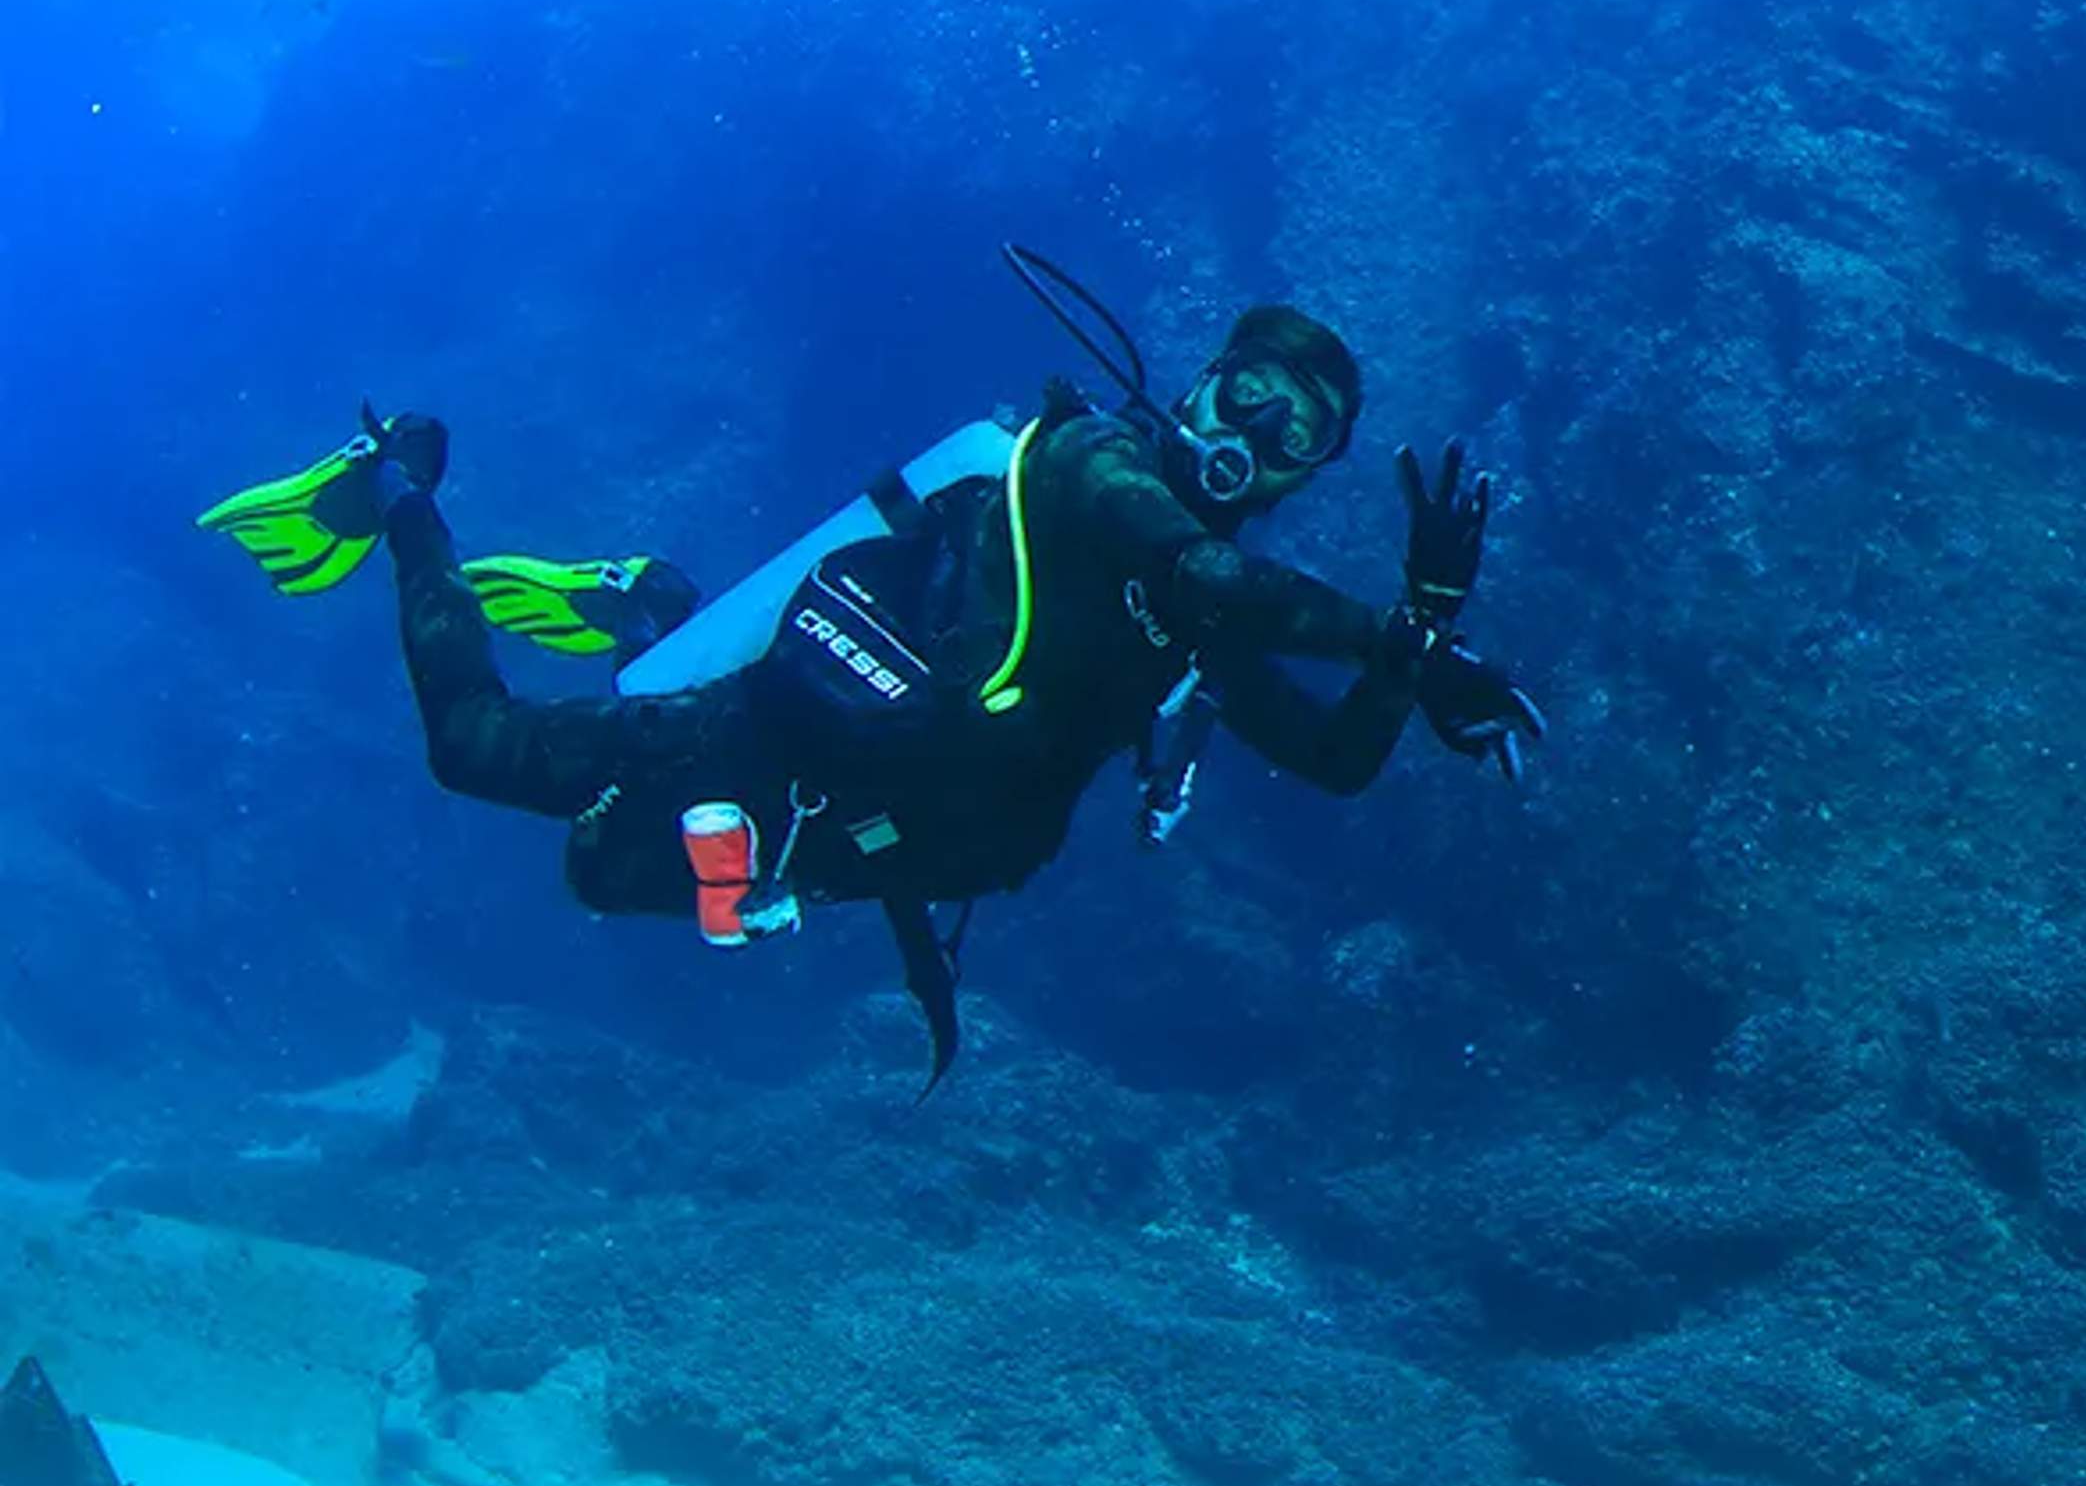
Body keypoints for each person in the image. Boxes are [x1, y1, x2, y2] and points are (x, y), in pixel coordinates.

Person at [197, 248, 1541, 1088]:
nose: (1260, 431)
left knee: (599, 874)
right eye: (1250, 391)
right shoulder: (1092, 463)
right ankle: (401, 486)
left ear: (1304, 477)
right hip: (779, 733)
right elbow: (1203, 572)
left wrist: (1417, 635)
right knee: (474, 750)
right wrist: (1413, 644)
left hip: (868, 832)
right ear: (1201, 386)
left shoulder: (1206, 626)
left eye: (1299, 434)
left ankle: (645, 601)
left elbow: (1333, 761)